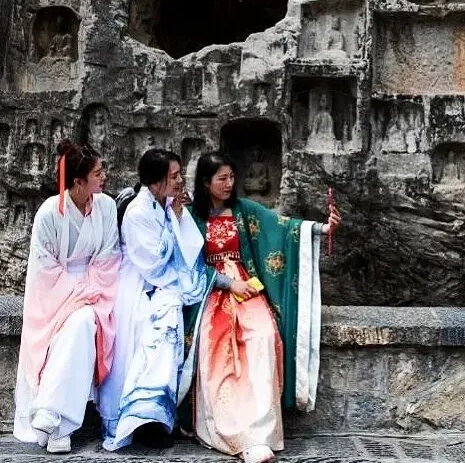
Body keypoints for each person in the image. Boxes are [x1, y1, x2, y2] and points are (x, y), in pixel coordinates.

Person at [180, 152, 341, 463]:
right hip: (210, 290)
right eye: (222, 179)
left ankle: (260, 433)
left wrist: (323, 229)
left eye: (231, 177)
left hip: (246, 287)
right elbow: (186, 263)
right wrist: (225, 283)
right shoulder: (190, 217)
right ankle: (232, 431)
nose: (230, 184)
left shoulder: (244, 210)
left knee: (264, 336)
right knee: (216, 348)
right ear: (205, 182)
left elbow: (284, 227)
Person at [13, 139, 120, 454]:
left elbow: (109, 258)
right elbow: (44, 269)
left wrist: (90, 290)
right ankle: (58, 423)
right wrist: (77, 293)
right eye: (98, 173)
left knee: (84, 320)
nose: (104, 177)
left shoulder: (106, 206)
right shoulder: (49, 213)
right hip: (55, 293)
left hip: (97, 288)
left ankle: (52, 415)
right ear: (78, 181)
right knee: (80, 323)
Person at [98, 149, 208, 451]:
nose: (180, 180)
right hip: (139, 285)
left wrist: (176, 215)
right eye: (174, 176)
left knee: (170, 315)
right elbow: (154, 263)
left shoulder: (166, 204)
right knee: (158, 327)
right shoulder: (138, 212)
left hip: (163, 284)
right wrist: (174, 218)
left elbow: (188, 246)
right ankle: (139, 418)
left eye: (179, 174)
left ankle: (157, 417)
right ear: (157, 181)